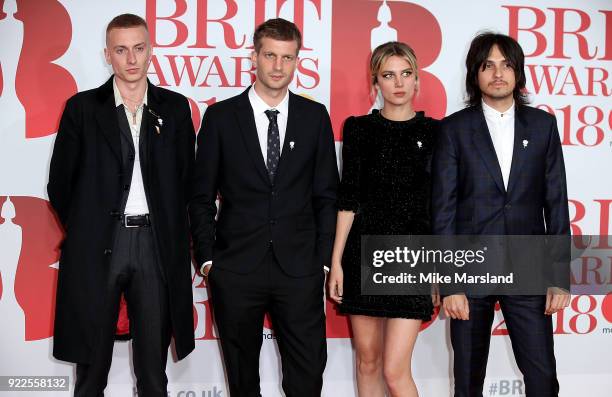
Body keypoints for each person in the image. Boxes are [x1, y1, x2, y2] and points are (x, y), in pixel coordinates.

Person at [189, 18, 339, 396]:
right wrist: (208, 260)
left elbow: (326, 195)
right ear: (253, 56)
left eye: (287, 57)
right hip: (236, 268)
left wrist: (321, 260)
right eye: (270, 55)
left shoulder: (314, 116)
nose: (277, 66)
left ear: (297, 60)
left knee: (306, 378)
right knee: (242, 381)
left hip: (300, 269)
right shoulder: (221, 117)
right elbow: (201, 196)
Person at [47, 14, 195, 396]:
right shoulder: (81, 109)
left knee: (153, 374)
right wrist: (87, 229)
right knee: (91, 371)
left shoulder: (176, 109)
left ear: (151, 53)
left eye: (139, 48)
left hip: (155, 247)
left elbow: (187, 183)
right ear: (107, 56)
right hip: (98, 247)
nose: (131, 58)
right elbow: (60, 184)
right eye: (121, 50)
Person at [431, 32, 570, 397]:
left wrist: (558, 275)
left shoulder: (542, 126)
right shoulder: (453, 129)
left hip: (528, 271)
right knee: (467, 381)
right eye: (488, 65)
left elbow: (556, 201)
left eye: (507, 65)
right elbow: (443, 210)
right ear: (474, 74)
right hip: (469, 269)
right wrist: (451, 284)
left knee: (542, 379)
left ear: (518, 73)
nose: (498, 73)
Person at [327, 41, 437, 397]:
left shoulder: (436, 133)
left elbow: (440, 208)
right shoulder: (358, 129)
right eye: (388, 75)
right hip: (363, 256)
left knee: (394, 370)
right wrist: (338, 262)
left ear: (417, 79)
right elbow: (349, 200)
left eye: (406, 74)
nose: (399, 83)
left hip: (413, 260)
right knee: (368, 362)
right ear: (376, 82)